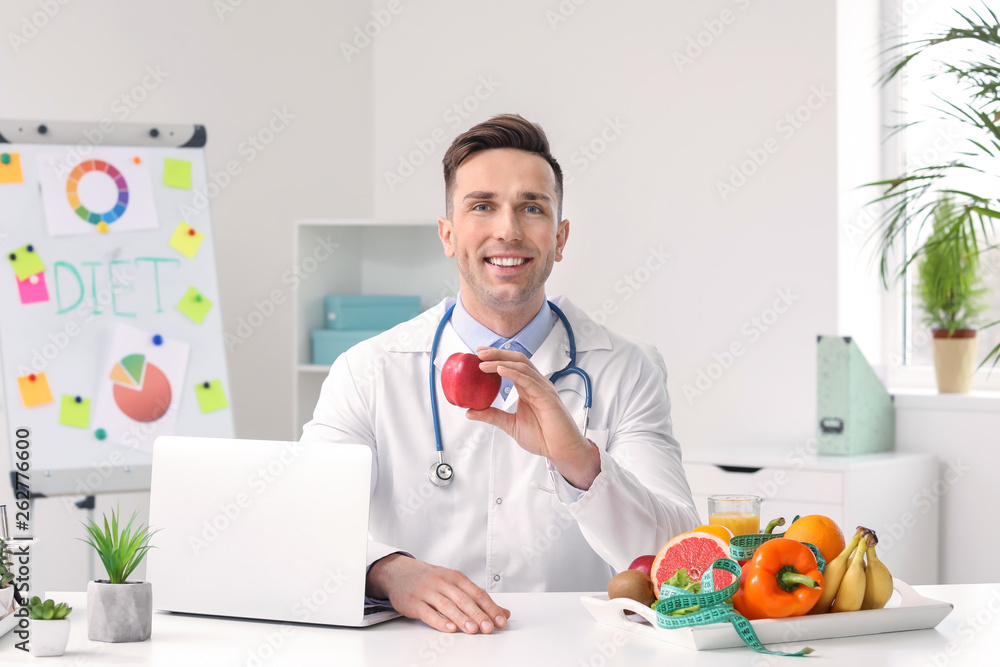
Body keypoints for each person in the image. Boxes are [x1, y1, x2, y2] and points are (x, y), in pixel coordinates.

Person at [301, 114, 699, 635]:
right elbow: (305, 517)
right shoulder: (368, 370)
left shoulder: (628, 369)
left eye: (531, 207)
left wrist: (579, 462)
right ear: (448, 234)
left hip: (573, 651)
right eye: (482, 206)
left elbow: (682, 560)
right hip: (411, 650)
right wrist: (386, 570)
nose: (507, 229)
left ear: (560, 238)